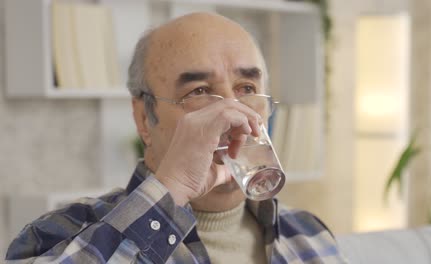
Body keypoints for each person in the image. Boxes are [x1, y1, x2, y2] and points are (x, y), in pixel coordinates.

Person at [6, 13, 345, 263]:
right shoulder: (60, 234)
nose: (232, 114)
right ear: (143, 118)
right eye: (199, 92)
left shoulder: (307, 233)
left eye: (247, 89)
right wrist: (174, 186)